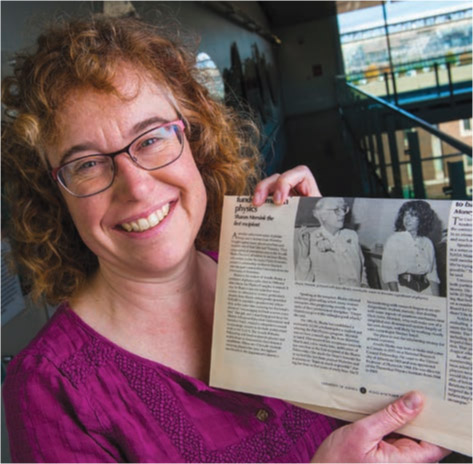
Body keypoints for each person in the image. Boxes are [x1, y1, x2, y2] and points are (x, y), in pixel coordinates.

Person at [1, 16, 448, 463]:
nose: (136, 187)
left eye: (151, 139)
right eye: (87, 165)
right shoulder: (49, 390)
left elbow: (379, 417)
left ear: (194, 140)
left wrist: (331, 282)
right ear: (55, 196)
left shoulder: (266, 271)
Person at [295, 197, 367, 287]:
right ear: (323, 215)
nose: (342, 214)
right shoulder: (309, 240)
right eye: (337, 210)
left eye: (343, 209)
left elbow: (362, 267)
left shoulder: (352, 236)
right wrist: (304, 257)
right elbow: (302, 283)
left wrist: (364, 284)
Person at [381, 200, 440, 295]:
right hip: (402, 289)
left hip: (426, 290)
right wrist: (396, 298)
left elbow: (433, 275)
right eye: (405, 215)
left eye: (412, 215)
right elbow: (389, 274)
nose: (407, 219)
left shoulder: (428, 243)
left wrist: (436, 300)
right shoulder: (394, 240)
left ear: (422, 218)